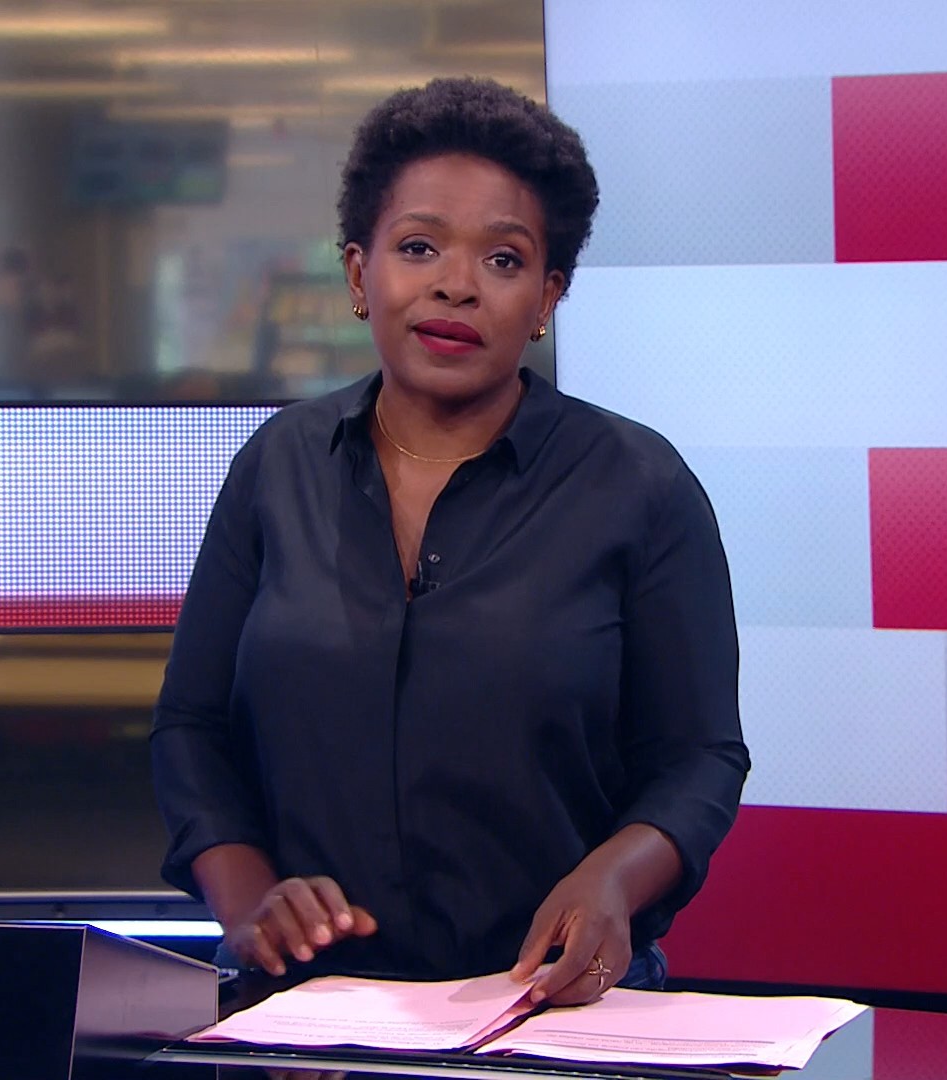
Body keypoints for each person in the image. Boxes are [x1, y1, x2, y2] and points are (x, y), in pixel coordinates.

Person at [151, 77, 748, 1007]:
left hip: (550, 1003)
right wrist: (248, 898)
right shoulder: (277, 467)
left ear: (547, 296)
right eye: (419, 246)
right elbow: (191, 728)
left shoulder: (639, 485)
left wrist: (613, 881)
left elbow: (700, 757)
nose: (455, 285)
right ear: (360, 274)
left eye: (504, 260)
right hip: (310, 1014)